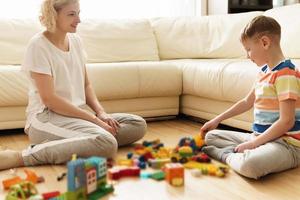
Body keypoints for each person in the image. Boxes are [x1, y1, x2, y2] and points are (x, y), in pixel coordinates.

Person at [0, 0, 146, 171]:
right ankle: (23, 156)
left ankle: (79, 142)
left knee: (137, 124)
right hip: (46, 118)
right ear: (52, 16)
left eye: (78, 13)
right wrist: (94, 120)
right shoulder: (38, 45)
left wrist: (101, 113)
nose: (78, 20)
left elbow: (86, 85)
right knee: (106, 143)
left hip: (76, 116)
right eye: (71, 14)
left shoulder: (75, 41)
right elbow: (50, 100)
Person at [200, 15, 300, 179]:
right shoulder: (264, 73)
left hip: (286, 145)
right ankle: (243, 153)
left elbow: (287, 121)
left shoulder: (286, 74)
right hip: (260, 138)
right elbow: (247, 102)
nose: (247, 55)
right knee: (212, 136)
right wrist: (217, 120)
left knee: (250, 167)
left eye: (248, 49)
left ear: (265, 43)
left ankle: (226, 156)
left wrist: (253, 144)